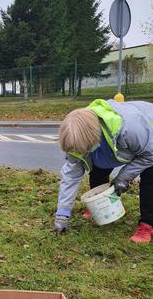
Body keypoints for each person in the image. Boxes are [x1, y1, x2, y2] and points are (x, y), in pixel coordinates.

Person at [54, 98, 153, 243]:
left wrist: (123, 178)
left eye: (83, 150)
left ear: (94, 137)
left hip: (148, 140)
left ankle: (147, 225)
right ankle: (100, 207)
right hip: (111, 144)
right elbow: (70, 177)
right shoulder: (77, 138)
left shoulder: (129, 129)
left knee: (150, 178)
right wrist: (62, 214)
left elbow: (150, 154)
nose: (79, 153)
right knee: (96, 167)